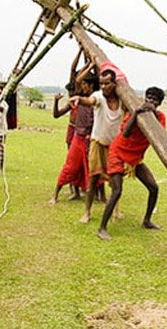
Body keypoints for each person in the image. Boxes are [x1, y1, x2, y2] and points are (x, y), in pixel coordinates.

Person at [97, 87, 166, 241]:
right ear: (144, 98)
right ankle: (102, 228)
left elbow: (160, 137)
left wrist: (152, 115)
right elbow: (126, 133)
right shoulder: (135, 112)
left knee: (153, 187)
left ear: (159, 103)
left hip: (135, 158)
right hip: (118, 153)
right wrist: (136, 113)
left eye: (154, 100)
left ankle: (147, 221)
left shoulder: (160, 117)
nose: (150, 101)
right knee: (117, 191)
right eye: (148, 98)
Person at [70, 69, 123, 223]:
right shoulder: (98, 96)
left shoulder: (122, 101)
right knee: (93, 179)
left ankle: (116, 210)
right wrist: (80, 98)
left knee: (116, 181)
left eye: (107, 83)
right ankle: (87, 212)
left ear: (114, 83)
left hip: (115, 148)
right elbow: (90, 101)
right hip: (97, 143)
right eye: (102, 84)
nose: (104, 86)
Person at [50, 74, 98, 205]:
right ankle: (55, 195)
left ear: (91, 86)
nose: (82, 87)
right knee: (70, 167)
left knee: (94, 168)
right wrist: (55, 101)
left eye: (84, 84)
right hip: (78, 138)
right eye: (81, 84)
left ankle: (98, 196)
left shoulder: (98, 100)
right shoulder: (77, 100)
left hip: (92, 139)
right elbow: (57, 114)